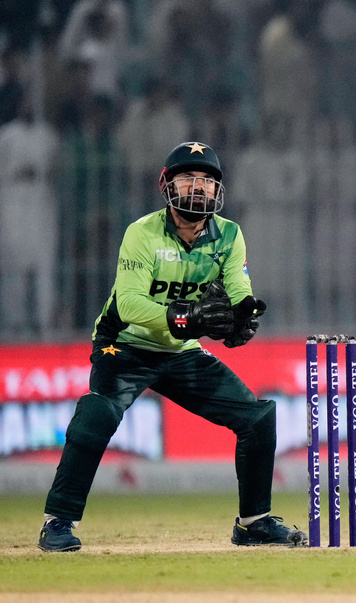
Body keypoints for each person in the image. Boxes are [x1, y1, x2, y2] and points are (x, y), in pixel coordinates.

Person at [37, 142, 306, 552]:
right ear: (166, 184)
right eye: (188, 179)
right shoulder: (142, 232)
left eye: (207, 181)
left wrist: (240, 320)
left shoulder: (229, 235)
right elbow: (127, 304)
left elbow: (238, 292)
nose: (198, 188)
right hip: (124, 344)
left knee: (257, 418)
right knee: (98, 412)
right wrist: (184, 319)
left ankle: (253, 523)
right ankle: (58, 521)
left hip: (181, 350)